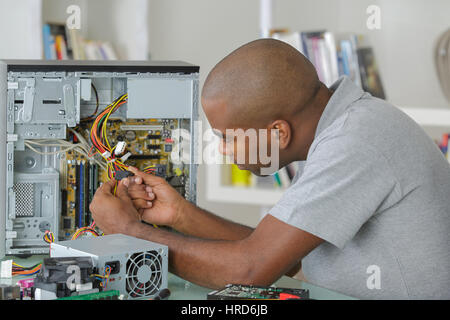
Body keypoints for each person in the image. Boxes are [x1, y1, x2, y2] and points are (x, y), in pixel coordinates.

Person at [90, 39, 450, 299]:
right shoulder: (340, 125)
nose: (222, 149)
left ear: (278, 132)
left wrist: (129, 231)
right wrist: (181, 215)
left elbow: (249, 270)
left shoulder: (356, 141)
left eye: (228, 137)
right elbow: (284, 257)